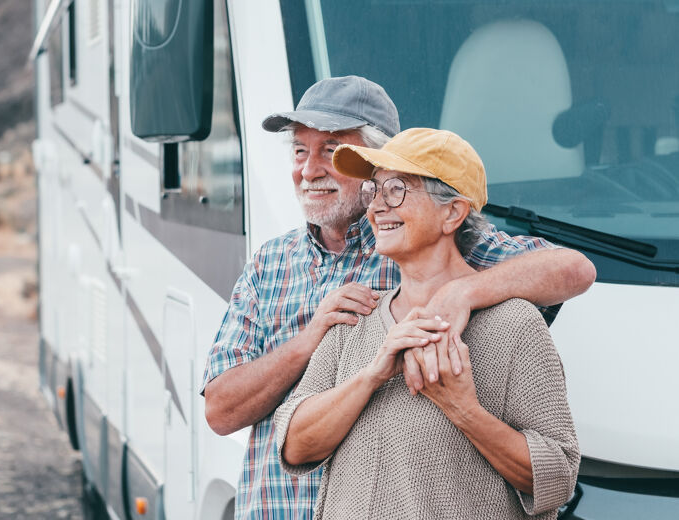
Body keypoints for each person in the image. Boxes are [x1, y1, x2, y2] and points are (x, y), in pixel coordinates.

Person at [201, 76, 594, 519]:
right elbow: (221, 411)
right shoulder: (269, 264)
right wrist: (311, 340)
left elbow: (573, 269)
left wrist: (461, 292)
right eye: (299, 151)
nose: (309, 169)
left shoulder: (442, 248)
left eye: (329, 151)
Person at [275, 128, 580, 519]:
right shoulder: (355, 319)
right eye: (374, 190)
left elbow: (557, 476)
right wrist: (371, 376)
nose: (376, 208)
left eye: (397, 189)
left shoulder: (515, 325)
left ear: (452, 212)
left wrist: (463, 409)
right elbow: (294, 446)